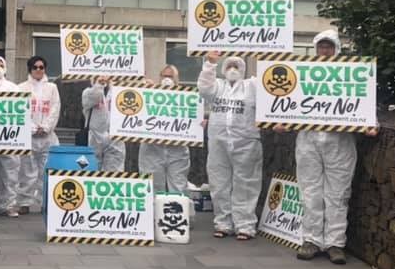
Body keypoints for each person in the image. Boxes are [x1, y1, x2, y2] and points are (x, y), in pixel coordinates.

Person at [288, 29, 377, 264]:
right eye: (321, 47)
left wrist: (371, 123)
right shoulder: (303, 75)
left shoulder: (351, 75)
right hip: (308, 141)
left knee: (337, 195)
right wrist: (280, 122)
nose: (324, 51)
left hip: (341, 143)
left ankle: (335, 244)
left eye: (328, 47)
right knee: (310, 193)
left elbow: (362, 101)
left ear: (336, 49)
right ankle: (311, 240)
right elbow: (288, 104)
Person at [198, 51, 262, 241]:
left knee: (246, 184)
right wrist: (210, 64)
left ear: (243, 69)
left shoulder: (252, 86)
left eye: (236, 66)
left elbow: (268, 90)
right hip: (219, 141)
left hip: (246, 141)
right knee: (219, 183)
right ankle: (223, 223)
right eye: (229, 66)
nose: (232, 70)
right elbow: (203, 88)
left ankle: (245, 225)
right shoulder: (217, 86)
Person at [138, 65, 191, 194]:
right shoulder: (150, 94)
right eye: (164, 76)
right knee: (152, 187)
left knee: (179, 187)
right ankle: (152, 214)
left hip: (177, 149)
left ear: (176, 79)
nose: (167, 79)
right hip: (152, 149)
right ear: (159, 78)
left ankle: (178, 212)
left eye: (170, 76)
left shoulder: (187, 98)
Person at [19, 55, 60, 214]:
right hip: (29, 137)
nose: (38, 70)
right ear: (30, 69)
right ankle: (24, 202)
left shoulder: (52, 88)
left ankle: (45, 202)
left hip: (47, 137)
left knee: (47, 170)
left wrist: (46, 127)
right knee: (26, 171)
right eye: (35, 67)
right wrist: (32, 128)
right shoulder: (21, 88)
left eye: (41, 67)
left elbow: (55, 108)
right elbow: (21, 111)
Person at [0, 55, 23, 217]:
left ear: (5, 68)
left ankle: (9, 204)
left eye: (0, 65)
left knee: (11, 172)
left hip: (9, 136)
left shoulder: (14, 88)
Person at [82, 75, 125, 171]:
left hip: (115, 139)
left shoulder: (117, 93)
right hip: (94, 137)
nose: (102, 78)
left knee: (115, 172)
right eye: (97, 76)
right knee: (91, 171)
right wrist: (99, 85)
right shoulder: (87, 93)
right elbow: (95, 96)